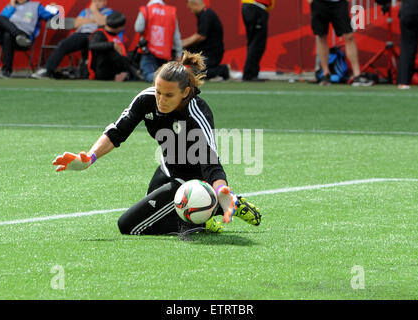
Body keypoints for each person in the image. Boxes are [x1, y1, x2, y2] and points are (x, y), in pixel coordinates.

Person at [52, 51, 262, 236]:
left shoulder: (196, 113)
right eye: (158, 91)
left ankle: (208, 209)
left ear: (185, 93)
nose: (160, 100)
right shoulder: (146, 99)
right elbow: (117, 132)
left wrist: (220, 190)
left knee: (129, 226)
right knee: (153, 215)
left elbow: (210, 163)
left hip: (194, 182)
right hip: (167, 170)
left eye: (169, 95)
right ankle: (206, 213)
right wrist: (90, 157)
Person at [32, 0, 114, 79]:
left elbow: (102, 22)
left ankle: (90, 73)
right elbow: (76, 23)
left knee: (94, 48)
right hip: (82, 34)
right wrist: (94, 20)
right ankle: (47, 70)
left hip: (97, 35)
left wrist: (94, 11)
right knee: (63, 44)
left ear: (105, 2)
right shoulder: (85, 11)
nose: (96, 3)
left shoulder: (109, 12)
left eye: (99, 1)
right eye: (95, 1)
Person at [308, 0, 373, 86]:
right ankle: (325, 74)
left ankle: (357, 76)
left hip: (339, 3)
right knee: (321, 36)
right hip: (319, 3)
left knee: (349, 36)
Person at [0, 0, 58, 78]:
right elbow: (2, 20)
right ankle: (18, 34)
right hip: (8, 37)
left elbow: (48, 16)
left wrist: (53, 9)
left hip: (25, 39)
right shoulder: (11, 5)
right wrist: (12, 7)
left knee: (7, 35)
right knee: (0, 19)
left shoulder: (36, 6)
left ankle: (6, 71)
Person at [134, 0, 183, 82]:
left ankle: (168, 76)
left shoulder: (146, 10)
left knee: (148, 75)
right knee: (161, 71)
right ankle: (170, 75)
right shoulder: (171, 12)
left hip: (148, 50)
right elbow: (176, 36)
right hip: (165, 52)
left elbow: (138, 28)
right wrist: (179, 53)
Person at [182, 0, 229, 81]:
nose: (191, 11)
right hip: (206, 52)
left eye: (191, 9)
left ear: (195, 5)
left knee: (196, 74)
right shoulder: (205, 14)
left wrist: (182, 44)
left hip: (211, 54)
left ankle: (222, 70)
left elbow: (200, 36)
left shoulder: (206, 15)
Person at [87, 12, 139, 81]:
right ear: (119, 27)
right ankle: (134, 74)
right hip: (100, 72)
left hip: (117, 70)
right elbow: (92, 46)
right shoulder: (100, 34)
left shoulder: (115, 36)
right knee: (110, 51)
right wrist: (112, 45)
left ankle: (131, 73)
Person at [241, 0, 274, 82]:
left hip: (254, 7)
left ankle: (251, 73)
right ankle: (249, 74)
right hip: (256, 6)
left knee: (254, 42)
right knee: (257, 43)